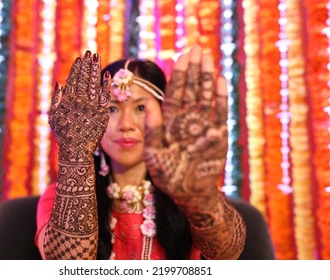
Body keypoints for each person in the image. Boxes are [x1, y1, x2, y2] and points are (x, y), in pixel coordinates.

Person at [35, 44, 247, 260]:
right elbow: (68, 267)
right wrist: (76, 157)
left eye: (140, 108)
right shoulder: (58, 197)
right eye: (112, 109)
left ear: (165, 116)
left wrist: (202, 200)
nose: (126, 124)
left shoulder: (187, 190)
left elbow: (227, 254)